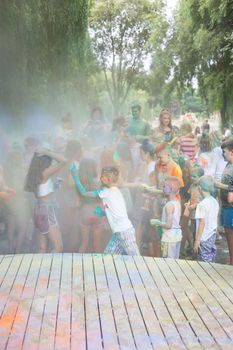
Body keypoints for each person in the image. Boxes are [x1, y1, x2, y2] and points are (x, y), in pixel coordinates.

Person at [70, 164, 141, 255]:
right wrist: (103, 213)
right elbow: (116, 212)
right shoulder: (114, 191)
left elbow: (84, 193)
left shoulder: (106, 192)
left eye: (103, 176)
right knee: (107, 259)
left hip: (125, 232)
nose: (100, 178)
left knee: (136, 259)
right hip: (118, 233)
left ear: (109, 179)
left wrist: (75, 176)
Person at [24, 148, 67, 253]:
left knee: (42, 248)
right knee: (58, 247)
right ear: (45, 160)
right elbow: (64, 161)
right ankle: (53, 269)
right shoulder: (45, 173)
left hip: (38, 209)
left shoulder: (35, 173)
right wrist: (47, 152)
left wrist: (55, 186)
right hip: (46, 210)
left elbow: (42, 192)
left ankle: (40, 269)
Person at [78, 158, 107, 253]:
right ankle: (98, 266)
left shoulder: (80, 182)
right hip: (97, 212)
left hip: (85, 212)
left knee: (84, 243)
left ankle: (76, 265)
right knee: (97, 244)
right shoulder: (99, 181)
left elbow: (78, 201)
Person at [150, 176, 182, 259]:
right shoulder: (177, 202)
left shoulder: (169, 205)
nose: (162, 188)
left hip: (169, 239)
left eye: (164, 186)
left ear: (170, 189)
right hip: (176, 237)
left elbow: (168, 225)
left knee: (168, 263)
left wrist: (158, 222)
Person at [215, 138, 233, 264]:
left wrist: (218, 185)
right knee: (229, 239)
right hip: (226, 207)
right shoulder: (228, 164)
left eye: (224, 152)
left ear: (232, 152)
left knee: (231, 240)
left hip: (230, 207)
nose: (223, 155)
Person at [193, 176, 219, 262]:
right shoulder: (214, 201)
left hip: (203, 237)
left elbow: (202, 223)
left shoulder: (202, 205)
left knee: (204, 262)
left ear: (200, 188)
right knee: (210, 257)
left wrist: (197, 241)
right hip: (212, 234)